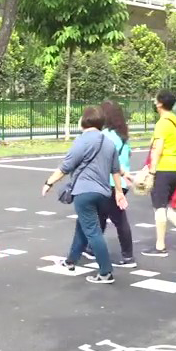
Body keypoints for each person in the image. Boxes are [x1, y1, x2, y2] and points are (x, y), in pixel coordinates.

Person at [41, 105, 127, 285]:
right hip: (104, 193)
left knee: (93, 232)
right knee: (83, 226)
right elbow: (115, 171)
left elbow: (66, 166)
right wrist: (119, 192)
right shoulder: (108, 142)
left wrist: (49, 182)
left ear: (84, 121)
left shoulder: (82, 140)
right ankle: (70, 261)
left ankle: (105, 271)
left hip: (85, 192)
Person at [136, 91, 176, 257]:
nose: (154, 102)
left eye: (155, 100)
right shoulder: (175, 121)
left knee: (159, 207)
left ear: (160, 103)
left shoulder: (162, 123)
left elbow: (158, 148)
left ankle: (160, 246)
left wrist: (152, 171)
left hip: (164, 166)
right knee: (164, 204)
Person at [81, 100, 135, 268]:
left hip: (110, 182)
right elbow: (127, 156)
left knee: (118, 219)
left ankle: (128, 257)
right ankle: (91, 248)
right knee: (102, 215)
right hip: (122, 182)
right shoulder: (123, 136)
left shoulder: (105, 135)